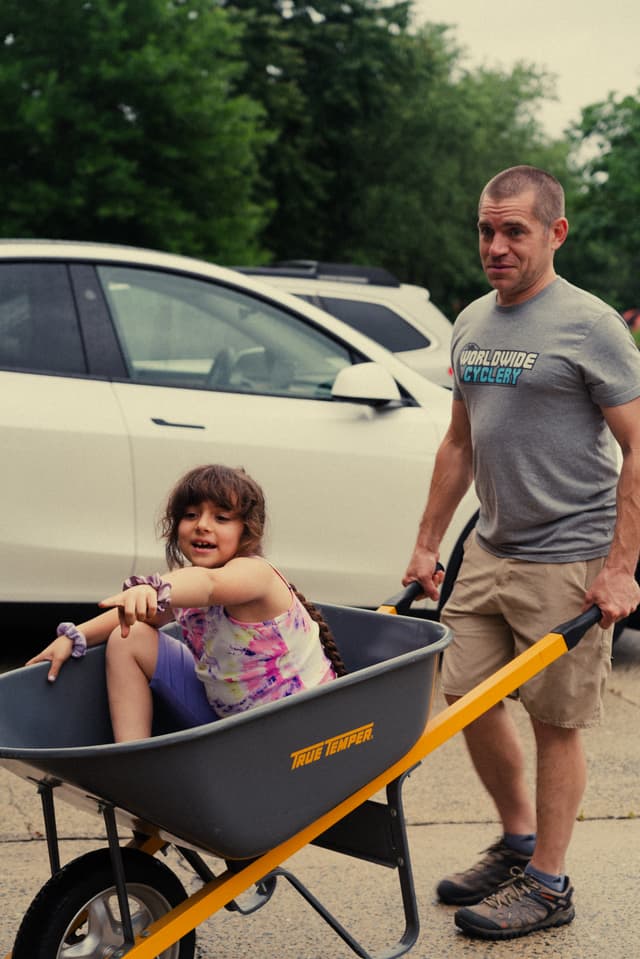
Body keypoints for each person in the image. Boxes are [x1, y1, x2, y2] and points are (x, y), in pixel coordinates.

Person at [403, 165, 640, 941]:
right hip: (491, 550)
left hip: (569, 558)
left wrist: (620, 567)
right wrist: (427, 542)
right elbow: (459, 441)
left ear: (555, 233)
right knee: (468, 699)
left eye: (515, 231)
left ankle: (550, 881)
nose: (496, 245)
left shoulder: (593, 325)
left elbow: (638, 447)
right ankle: (518, 840)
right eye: (486, 229)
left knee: (555, 721)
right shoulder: (471, 321)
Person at [28, 464, 345, 741]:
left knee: (141, 624)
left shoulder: (255, 574)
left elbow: (210, 586)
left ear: (247, 531)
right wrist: (74, 637)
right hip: (229, 725)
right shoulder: (186, 583)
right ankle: (132, 758)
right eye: (191, 515)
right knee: (130, 636)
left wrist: (153, 587)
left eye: (221, 517)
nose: (202, 525)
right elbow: (136, 616)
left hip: (296, 733)